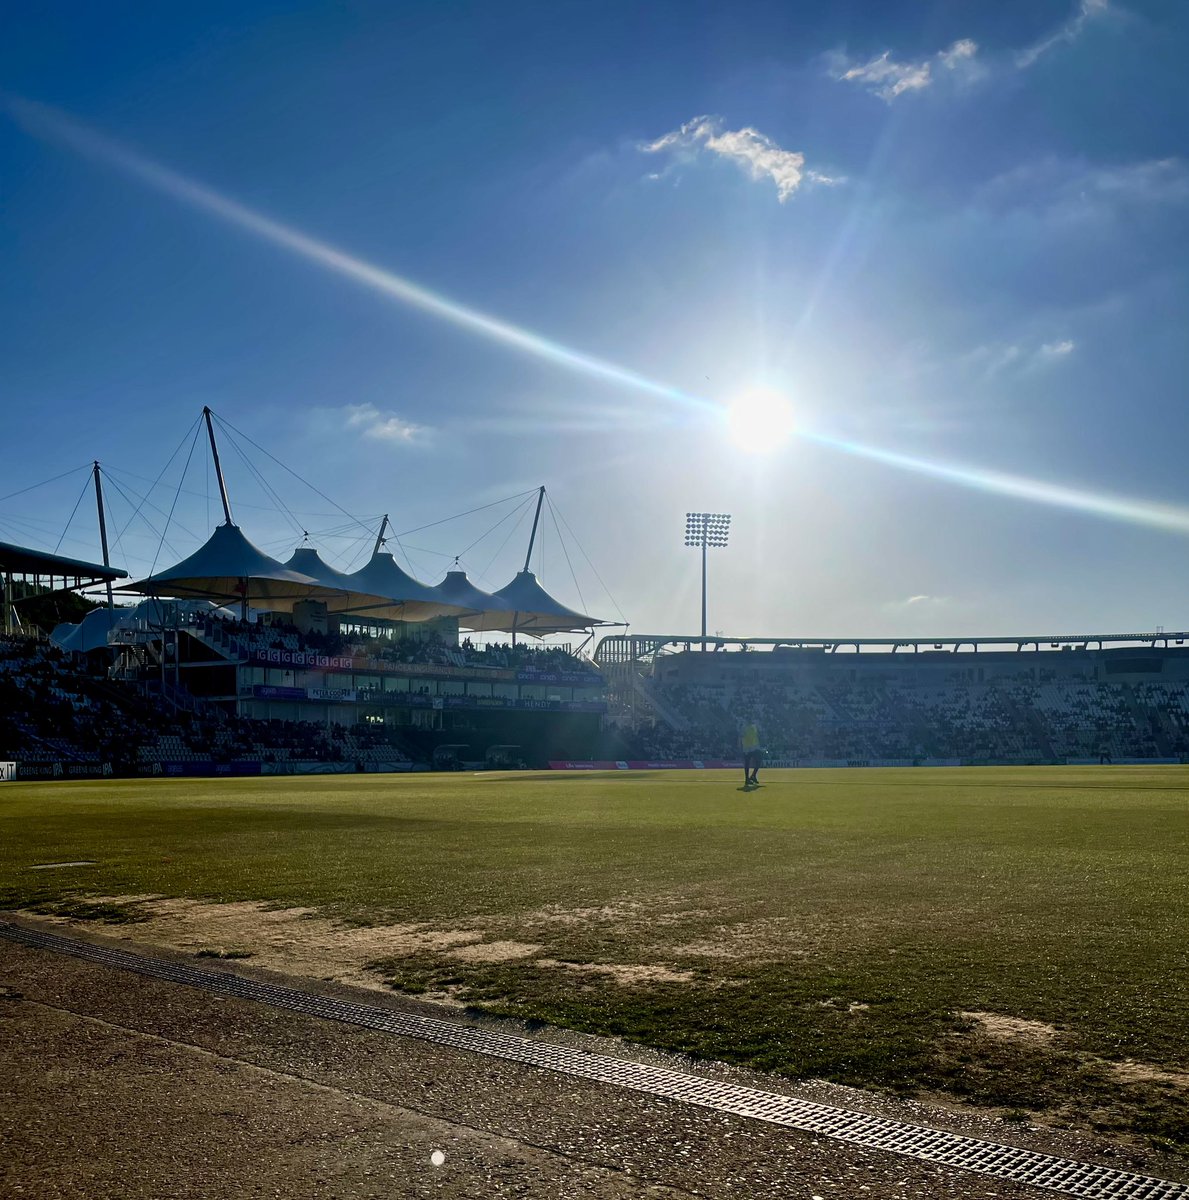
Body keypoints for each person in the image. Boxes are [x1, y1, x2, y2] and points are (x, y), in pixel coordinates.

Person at [740, 719, 762, 788]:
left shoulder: (754, 726)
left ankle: (753, 776)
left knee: (758, 761)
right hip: (747, 748)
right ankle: (747, 779)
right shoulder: (744, 727)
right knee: (747, 763)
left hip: (754, 747)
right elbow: (741, 736)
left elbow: (757, 735)